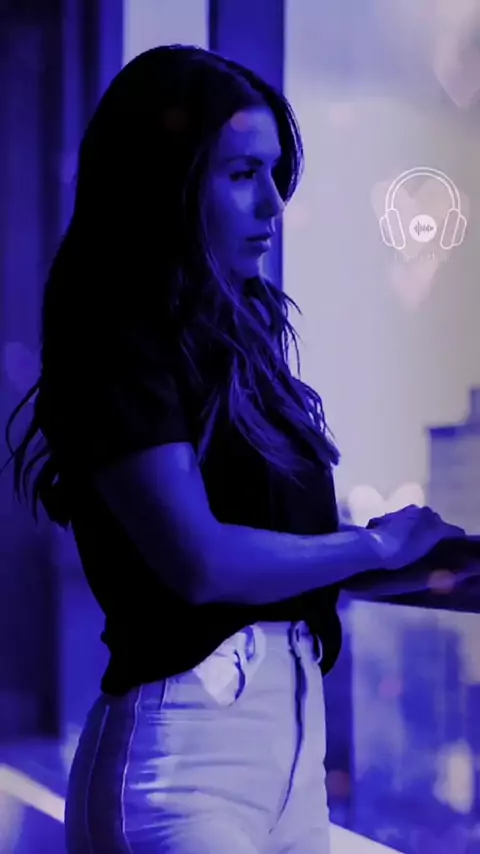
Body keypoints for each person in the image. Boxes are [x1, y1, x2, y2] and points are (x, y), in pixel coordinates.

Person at [4, 44, 465, 854]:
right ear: (168, 185)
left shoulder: (235, 346)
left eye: (275, 174)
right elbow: (200, 563)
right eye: (243, 174)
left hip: (291, 767)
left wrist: (396, 552)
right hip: (179, 773)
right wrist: (373, 546)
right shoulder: (117, 342)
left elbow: (270, 548)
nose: (274, 204)